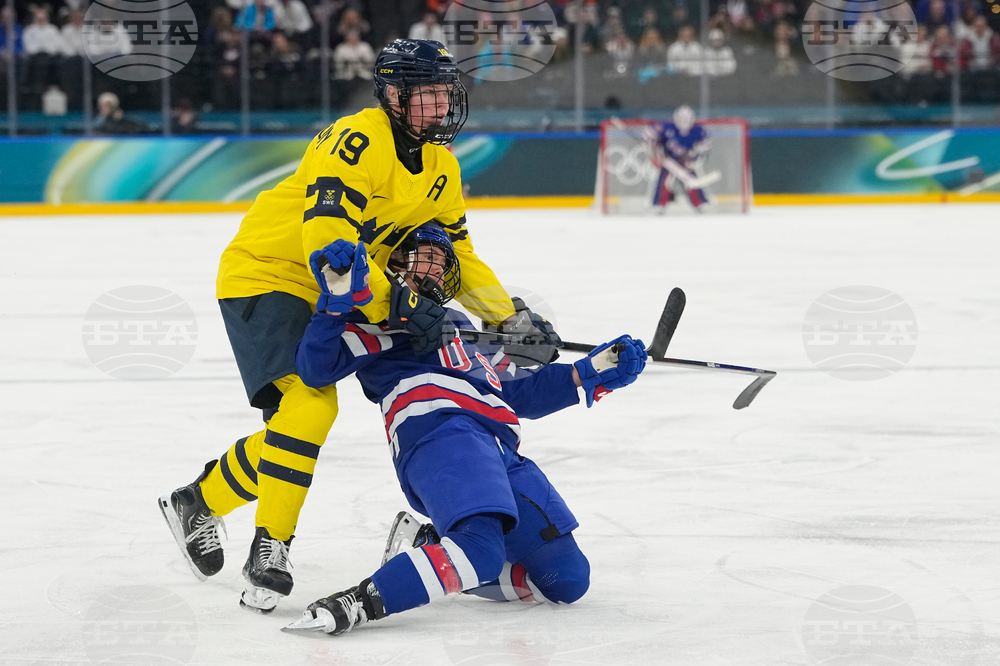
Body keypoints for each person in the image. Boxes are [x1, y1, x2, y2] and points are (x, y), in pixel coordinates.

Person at [158, 39, 560, 615]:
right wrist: (398, 303)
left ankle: (200, 500)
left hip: (342, 291)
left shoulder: (442, 165)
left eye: (446, 93)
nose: (442, 106)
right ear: (393, 95)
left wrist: (507, 316)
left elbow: (460, 257)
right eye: (428, 94)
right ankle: (270, 547)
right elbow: (328, 240)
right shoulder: (356, 139)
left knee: (298, 423)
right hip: (270, 274)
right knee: (310, 406)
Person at [283, 225, 647, 636]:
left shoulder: (456, 322)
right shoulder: (379, 315)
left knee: (566, 579)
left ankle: (428, 547)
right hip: (442, 432)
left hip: (501, 448)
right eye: (427, 257)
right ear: (395, 262)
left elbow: (515, 392)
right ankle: (356, 603)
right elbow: (315, 369)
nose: (437, 270)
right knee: (479, 552)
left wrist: (590, 371)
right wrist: (333, 306)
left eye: (443, 263)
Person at [650, 105, 712, 212]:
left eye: (686, 119)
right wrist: (656, 153)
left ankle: (700, 203)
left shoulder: (698, 131)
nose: (684, 122)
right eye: (682, 119)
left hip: (686, 162)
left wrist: (692, 156)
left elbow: (705, 147)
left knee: (692, 180)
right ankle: (659, 204)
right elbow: (650, 135)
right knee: (664, 179)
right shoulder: (666, 127)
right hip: (669, 161)